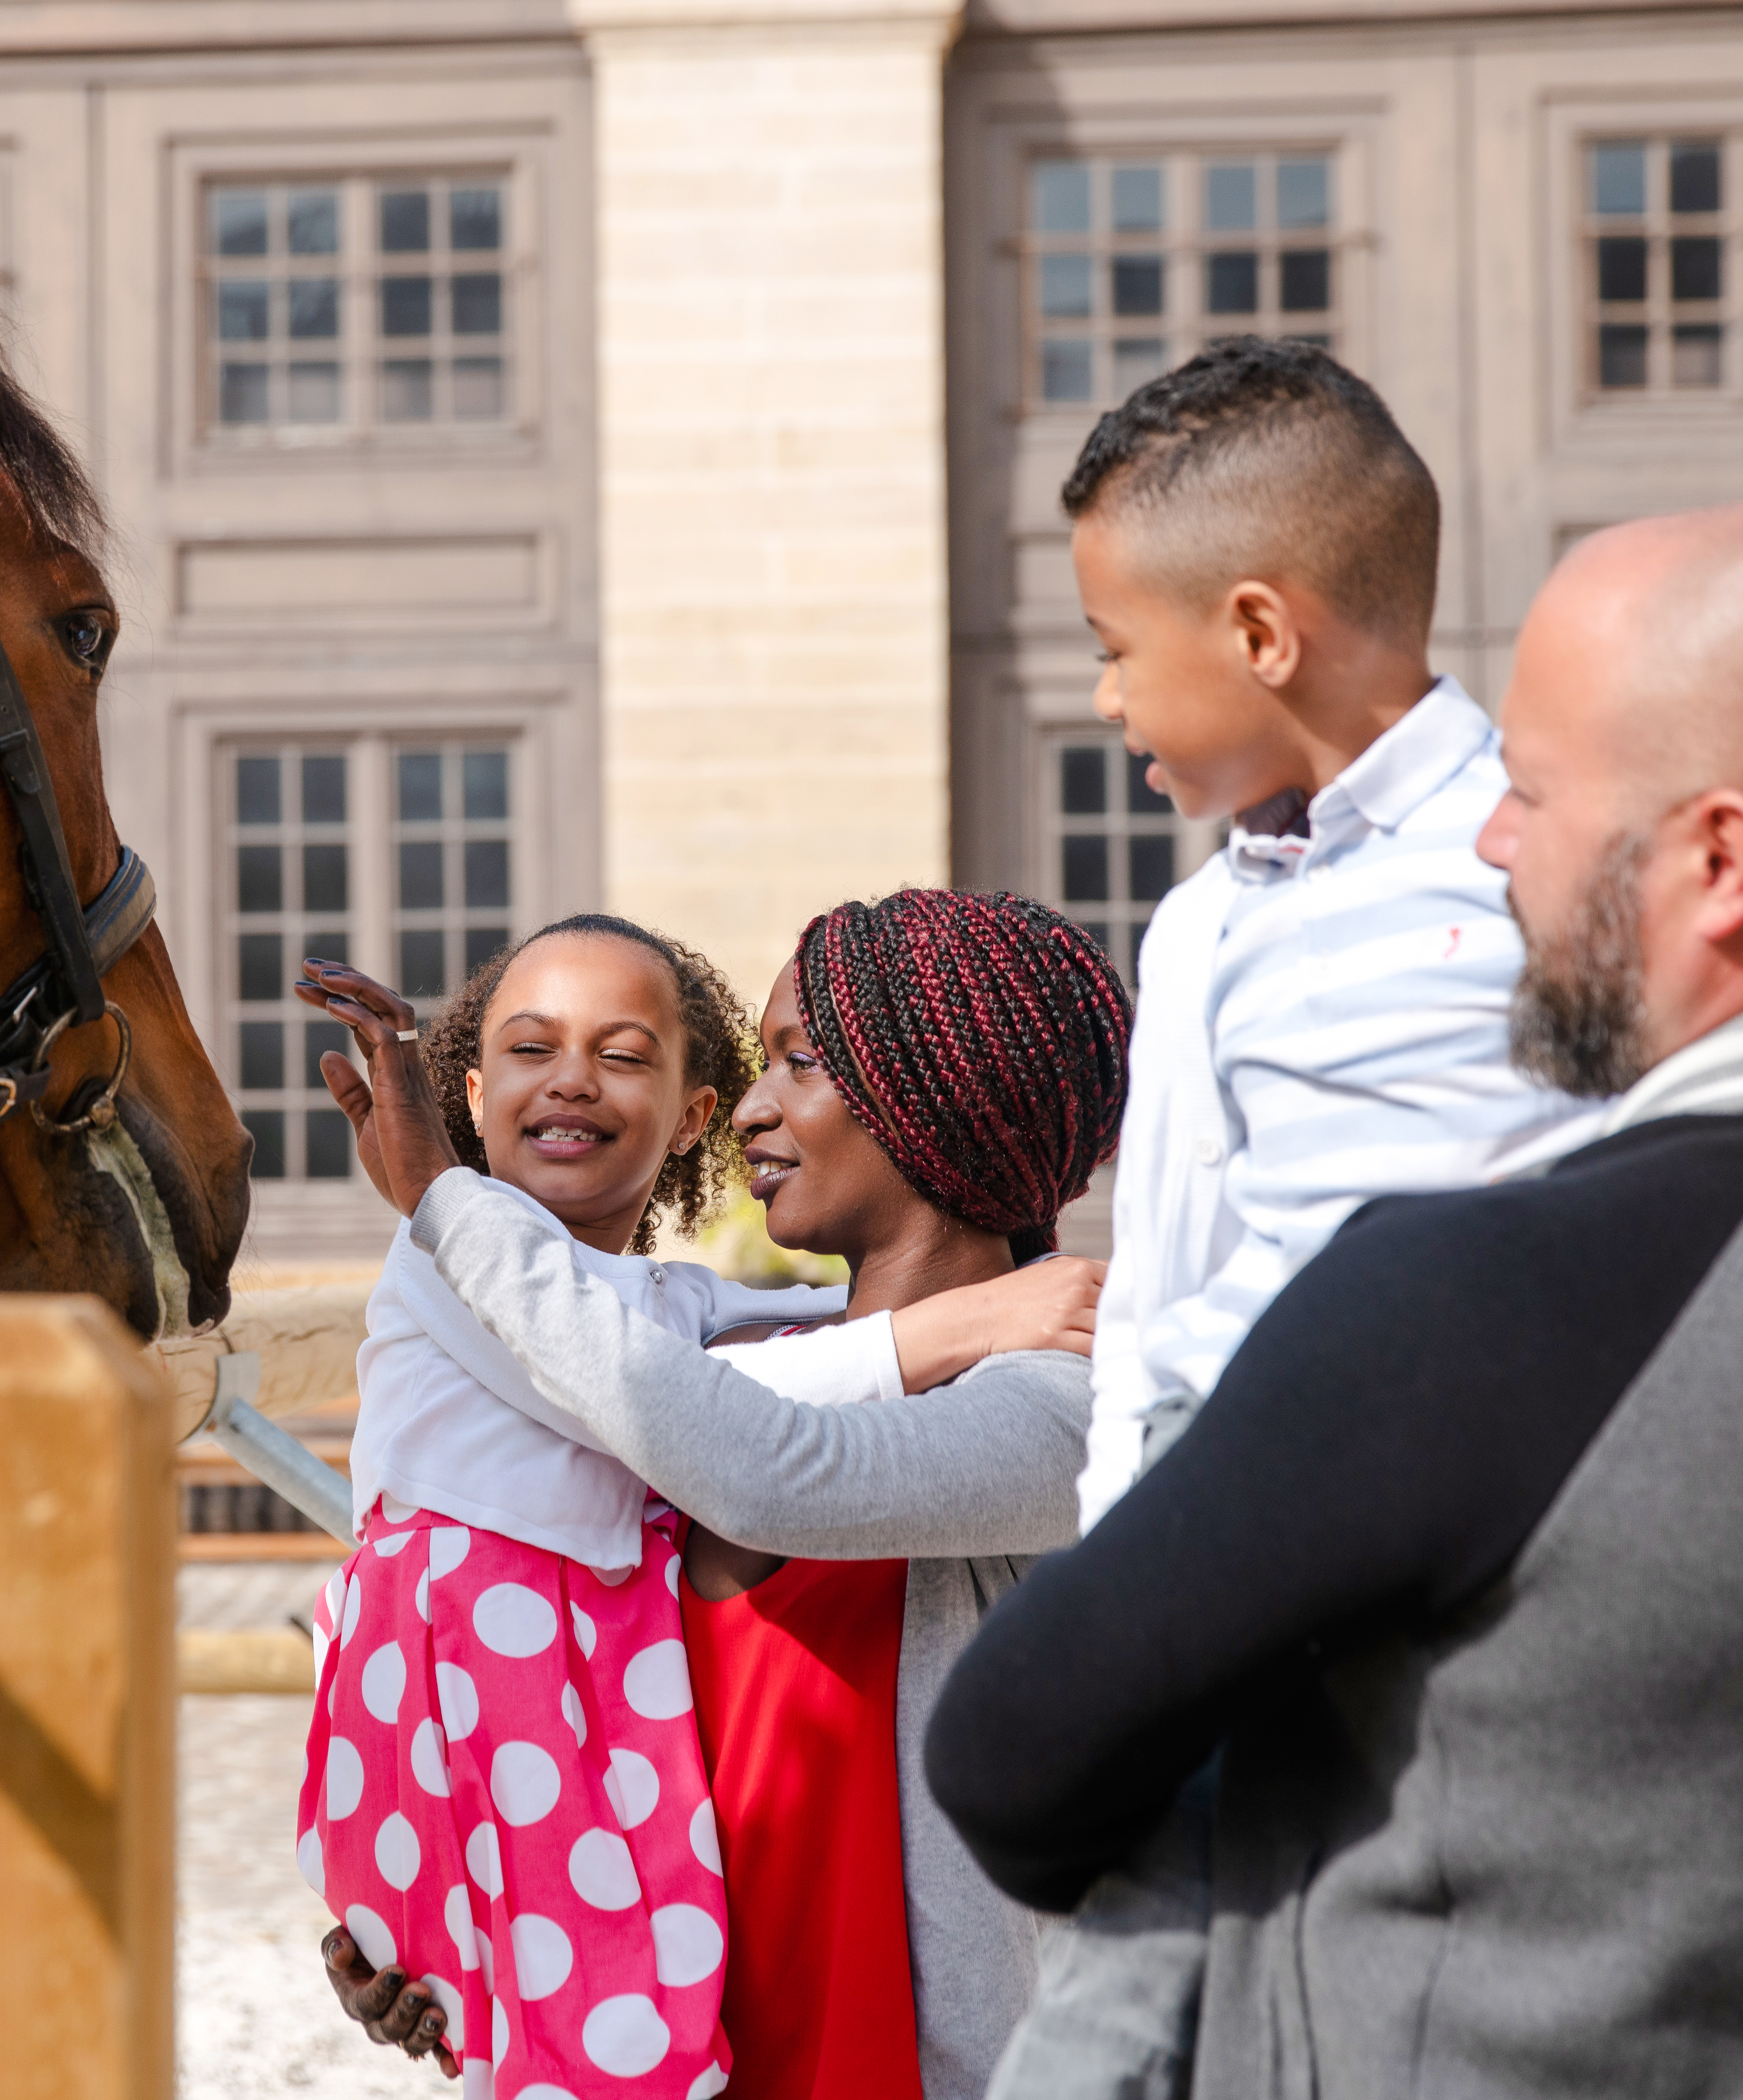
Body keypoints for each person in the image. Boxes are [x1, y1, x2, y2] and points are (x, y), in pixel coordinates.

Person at [926, 499, 1743, 2096]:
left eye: (1530, 796)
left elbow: (1011, 1755)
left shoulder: (1469, 1307)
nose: (1487, 842)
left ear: (1717, 864)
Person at [1000, 337, 1600, 2099]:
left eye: (1114, 652)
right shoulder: (1198, 923)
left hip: (1425, 1652)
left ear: (1258, 632)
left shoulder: (1527, 878)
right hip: (1191, 1617)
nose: (1101, 704)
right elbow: (1177, 1274)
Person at [304, 885, 1132, 2100]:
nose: (751, 1105)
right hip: (687, 2053)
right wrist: (439, 1902)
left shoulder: (1056, 1400)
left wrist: (447, 1200)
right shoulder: (718, 1378)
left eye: (798, 1063)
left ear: (927, 1095)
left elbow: (767, 1472)